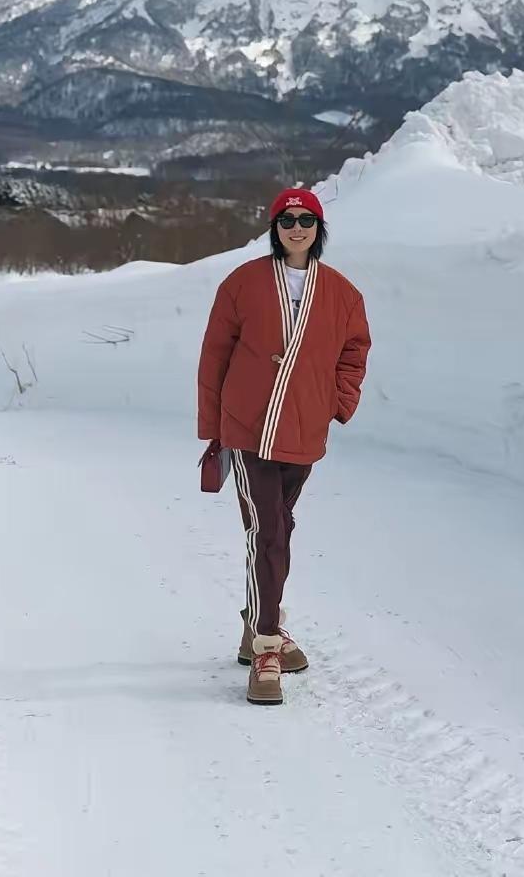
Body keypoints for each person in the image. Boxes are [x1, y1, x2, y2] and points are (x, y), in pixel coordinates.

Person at [197, 188, 371, 705]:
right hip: (248, 427)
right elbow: (214, 356)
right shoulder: (243, 283)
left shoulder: (341, 292)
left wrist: (337, 401)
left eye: (306, 220)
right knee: (268, 529)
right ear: (274, 227)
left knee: (278, 528)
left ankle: (256, 622)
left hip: (303, 429)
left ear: (319, 228)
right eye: (286, 220)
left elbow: (353, 350)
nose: (296, 228)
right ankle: (267, 646)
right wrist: (215, 427)